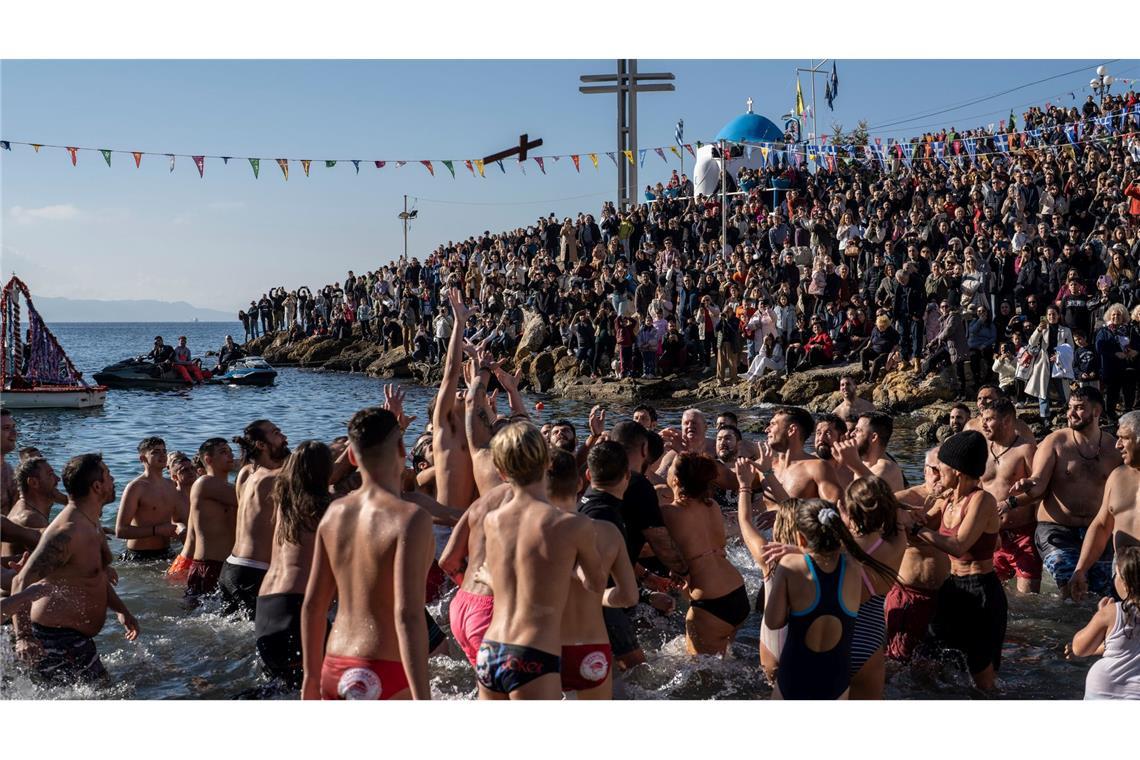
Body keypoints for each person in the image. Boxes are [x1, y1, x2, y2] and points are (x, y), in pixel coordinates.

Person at [301, 408, 434, 700]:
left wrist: (310, 679)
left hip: (334, 662)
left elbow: (313, 605)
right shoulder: (411, 518)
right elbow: (408, 614)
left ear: (351, 457)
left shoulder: (334, 513)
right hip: (383, 665)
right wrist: (423, 697)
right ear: (401, 448)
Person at [475, 422, 606, 700]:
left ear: (500, 472)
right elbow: (596, 583)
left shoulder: (493, 521)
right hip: (531, 654)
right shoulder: (573, 524)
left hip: (489, 651)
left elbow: (511, 582)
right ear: (547, 462)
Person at [10, 454, 139, 686]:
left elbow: (93, 576)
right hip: (53, 640)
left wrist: (122, 611)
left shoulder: (91, 521)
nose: (113, 480)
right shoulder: (66, 533)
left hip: (75, 639)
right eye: (109, 475)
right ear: (97, 486)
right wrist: (23, 637)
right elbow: (20, 581)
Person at [763, 498, 894, 700]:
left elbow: (773, 622)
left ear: (800, 538)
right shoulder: (854, 566)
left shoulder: (790, 565)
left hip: (795, 676)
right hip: (836, 681)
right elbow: (843, 550)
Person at [907, 431, 1005, 691]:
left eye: (942, 467)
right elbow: (923, 525)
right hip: (953, 589)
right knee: (925, 659)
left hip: (981, 593)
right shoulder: (948, 499)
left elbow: (959, 545)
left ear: (958, 471)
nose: (937, 473)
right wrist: (903, 515)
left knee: (982, 679)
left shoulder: (982, 500)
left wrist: (917, 530)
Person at [1009, 387, 1122, 598]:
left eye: (1079, 408)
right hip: (1056, 530)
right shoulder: (1055, 442)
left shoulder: (1114, 448)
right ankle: (1063, 630)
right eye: (1070, 407)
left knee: (1104, 594)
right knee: (1072, 589)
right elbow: (1038, 482)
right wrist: (1027, 484)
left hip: (1097, 531)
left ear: (1097, 411)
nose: (1071, 413)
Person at [548, 448, 637, 699]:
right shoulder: (608, 531)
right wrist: (597, 596)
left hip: (545, 646)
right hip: (591, 648)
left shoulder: (530, 533)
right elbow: (629, 597)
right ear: (580, 482)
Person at [255, 441, 333, 691]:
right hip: (295, 610)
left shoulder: (284, 505)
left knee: (283, 689)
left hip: (266, 610)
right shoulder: (327, 508)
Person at [660, 453, 749, 655]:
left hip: (710, 603)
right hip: (737, 591)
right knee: (726, 662)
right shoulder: (712, 506)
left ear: (675, 480)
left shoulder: (668, 513)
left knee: (704, 676)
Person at [842, 477, 907, 700]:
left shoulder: (840, 546)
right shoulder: (898, 543)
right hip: (871, 642)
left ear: (850, 509)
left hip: (839, 638)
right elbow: (895, 513)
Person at [221, 420, 290, 619]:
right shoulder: (276, 478)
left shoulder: (246, 472)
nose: (284, 437)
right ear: (260, 445)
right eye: (277, 433)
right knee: (258, 641)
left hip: (231, 567)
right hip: (253, 571)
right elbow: (324, 474)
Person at [888, 448, 951, 662]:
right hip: (909, 592)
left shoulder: (959, 500)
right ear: (924, 471)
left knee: (940, 660)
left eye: (945, 470)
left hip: (945, 594)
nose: (940, 476)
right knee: (899, 659)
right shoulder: (903, 499)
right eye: (935, 470)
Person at [1071, 410, 1140, 601]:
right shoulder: (1117, 476)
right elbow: (1101, 526)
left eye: (1124, 439)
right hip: (1121, 579)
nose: (1117, 445)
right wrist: (1081, 569)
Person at [980, 398, 1041, 593]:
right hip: (992, 535)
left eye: (989, 419)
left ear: (1006, 421)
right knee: (993, 597)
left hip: (1023, 535)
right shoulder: (982, 450)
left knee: (1029, 602)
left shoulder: (1026, 449)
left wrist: (1010, 503)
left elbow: (1040, 491)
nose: (983, 424)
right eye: (983, 418)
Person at [1066, 546, 1140, 699]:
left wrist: (1100, 615)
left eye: (1116, 574)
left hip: (1106, 689)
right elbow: (1129, 648)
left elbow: (1079, 648)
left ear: (1125, 583)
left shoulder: (1113, 611)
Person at [431, 289, 476, 511]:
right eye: (457, 393)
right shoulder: (444, 432)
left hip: (472, 526)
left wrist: (476, 359)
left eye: (462, 391)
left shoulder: (474, 432)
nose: (461, 392)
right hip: (445, 525)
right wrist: (459, 323)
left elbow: (478, 391)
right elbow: (451, 371)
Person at [115, 437, 184, 562]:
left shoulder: (171, 485)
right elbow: (120, 531)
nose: (162, 455)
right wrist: (156, 530)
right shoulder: (136, 488)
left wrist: (181, 529)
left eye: (164, 451)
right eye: (155, 452)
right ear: (143, 459)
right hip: (139, 556)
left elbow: (177, 520)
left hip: (166, 552)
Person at [185, 438, 238, 599]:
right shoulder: (204, 483)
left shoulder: (231, 487)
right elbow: (250, 500)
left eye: (230, 451)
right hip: (209, 566)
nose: (230, 455)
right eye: (223, 452)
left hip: (229, 566)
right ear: (208, 459)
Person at [761, 407, 843, 503]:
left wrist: (767, 473)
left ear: (791, 430)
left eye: (773, 424)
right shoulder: (763, 465)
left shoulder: (817, 468)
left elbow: (834, 511)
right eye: (818, 433)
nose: (767, 430)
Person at [832, 412, 905, 492]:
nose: (852, 434)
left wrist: (853, 463)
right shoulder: (863, 464)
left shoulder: (886, 469)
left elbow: (871, 493)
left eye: (858, 430)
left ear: (874, 437)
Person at [0, 457, 57, 558]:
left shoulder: (20, 505)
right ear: (33, 483)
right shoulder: (31, 519)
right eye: (51, 474)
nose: (58, 479)